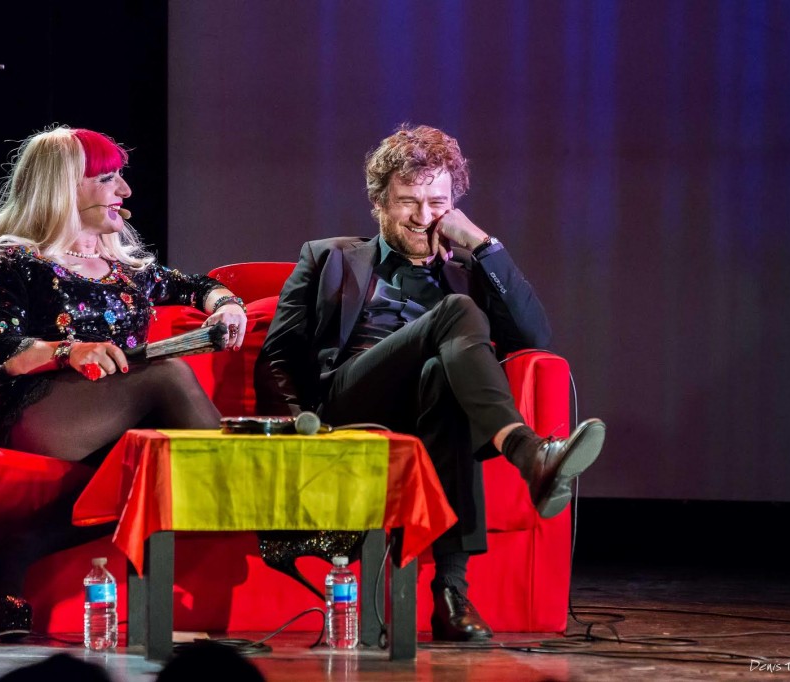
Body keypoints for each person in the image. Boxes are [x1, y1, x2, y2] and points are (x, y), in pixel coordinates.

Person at [254, 123, 606, 642]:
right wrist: (295, 430)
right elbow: (277, 355)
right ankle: (528, 451)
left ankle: (451, 593)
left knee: (443, 374)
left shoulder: (468, 268)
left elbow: (536, 335)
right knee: (456, 313)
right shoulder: (328, 257)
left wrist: (483, 245)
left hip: (431, 406)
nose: (423, 217)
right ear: (380, 200)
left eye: (437, 202)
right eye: (408, 201)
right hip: (351, 398)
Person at [0, 125, 248, 637]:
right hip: (38, 409)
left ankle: (9, 558)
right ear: (65, 188)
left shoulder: (126, 268)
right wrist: (69, 351)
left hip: (113, 420)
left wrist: (225, 306)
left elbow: (198, 284)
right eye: (109, 179)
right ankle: (252, 489)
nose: (125, 192)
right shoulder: (12, 257)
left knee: (151, 445)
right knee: (168, 377)